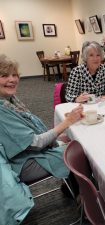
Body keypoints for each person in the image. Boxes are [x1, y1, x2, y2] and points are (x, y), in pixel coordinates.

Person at [0, 55, 83, 224]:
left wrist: (58, 135)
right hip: (22, 163)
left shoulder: (9, 100)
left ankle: (72, 186)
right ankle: (85, 200)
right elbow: (35, 143)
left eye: (14, 75)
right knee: (79, 151)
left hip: (24, 154)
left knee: (70, 142)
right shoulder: (2, 111)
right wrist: (66, 123)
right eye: (4, 75)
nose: (12, 79)